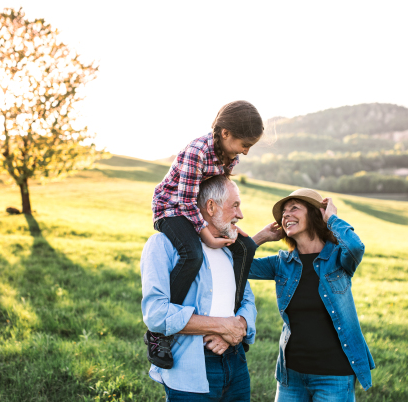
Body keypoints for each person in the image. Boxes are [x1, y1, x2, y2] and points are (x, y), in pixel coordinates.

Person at [145, 100, 264, 369]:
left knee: (244, 247)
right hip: (172, 210)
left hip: (195, 210)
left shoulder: (229, 156)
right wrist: (207, 235)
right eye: (245, 144)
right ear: (225, 134)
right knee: (192, 253)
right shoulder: (197, 151)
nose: (245, 152)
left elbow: (219, 188)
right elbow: (187, 202)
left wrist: (228, 223)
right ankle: (159, 334)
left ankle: (231, 318)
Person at [250, 188, 375, 401]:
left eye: (294, 208)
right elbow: (237, 266)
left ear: (315, 214)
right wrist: (261, 237)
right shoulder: (282, 263)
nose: (286, 215)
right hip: (291, 376)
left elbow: (355, 246)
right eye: (284, 213)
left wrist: (332, 218)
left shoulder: (338, 258)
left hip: (334, 375)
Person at [141, 175, 257, 401]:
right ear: (211, 207)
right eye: (235, 206)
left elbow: (248, 301)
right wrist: (224, 326)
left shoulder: (230, 249)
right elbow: (156, 314)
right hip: (192, 366)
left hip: (236, 362)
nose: (240, 214)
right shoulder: (163, 245)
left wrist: (237, 327)